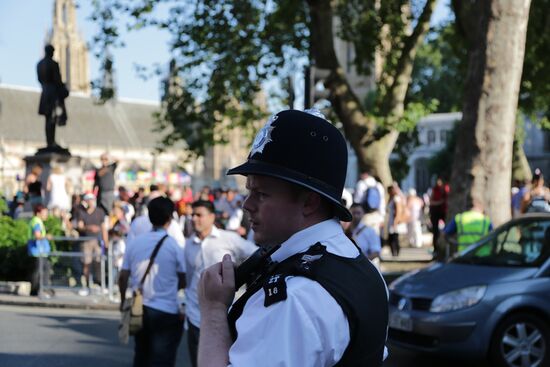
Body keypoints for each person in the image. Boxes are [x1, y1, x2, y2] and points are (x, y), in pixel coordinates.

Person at [197, 109, 388, 366]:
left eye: (262, 193)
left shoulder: (295, 300)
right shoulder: (356, 265)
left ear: (309, 202)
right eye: (249, 190)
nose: (247, 205)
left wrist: (212, 310)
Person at [184, 200, 257, 367]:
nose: (195, 219)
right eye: (192, 215)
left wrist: (239, 273)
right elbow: (190, 279)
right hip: (195, 316)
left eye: (199, 215)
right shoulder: (189, 243)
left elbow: (255, 255)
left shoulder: (229, 239)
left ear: (211, 217)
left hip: (225, 318)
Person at [118, 197, 186, 367]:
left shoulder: (135, 243)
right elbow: (184, 278)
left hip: (140, 309)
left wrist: (122, 300)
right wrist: (172, 288)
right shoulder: (175, 246)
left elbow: (123, 276)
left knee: (141, 355)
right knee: (163, 359)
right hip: (167, 310)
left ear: (149, 217)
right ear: (170, 219)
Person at [76, 192, 108, 295]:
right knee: (86, 263)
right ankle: (86, 285)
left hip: (97, 241)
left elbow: (103, 228)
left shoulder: (100, 212)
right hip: (86, 241)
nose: (91, 202)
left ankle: (98, 283)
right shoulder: (81, 212)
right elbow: (79, 226)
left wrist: (105, 241)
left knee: (98, 262)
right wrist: (88, 227)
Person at [37, 44, 68, 149]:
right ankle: (51, 142)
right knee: (52, 118)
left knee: (48, 118)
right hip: (53, 94)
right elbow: (57, 80)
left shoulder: (39, 64)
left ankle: (49, 141)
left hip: (44, 92)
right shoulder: (53, 64)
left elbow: (39, 79)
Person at [28, 204, 54, 297]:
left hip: (40, 251)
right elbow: (37, 235)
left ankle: (40, 289)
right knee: (40, 271)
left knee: (43, 269)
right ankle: (39, 289)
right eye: (44, 213)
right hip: (38, 251)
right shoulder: (36, 222)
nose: (46, 215)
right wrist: (47, 237)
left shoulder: (37, 221)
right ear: (38, 213)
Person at [346, 203, 382, 269]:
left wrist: (361, 263)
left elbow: (376, 252)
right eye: (354, 213)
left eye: (358, 213)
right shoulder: (346, 231)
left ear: (363, 214)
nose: (356, 216)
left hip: (367, 268)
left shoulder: (370, 231)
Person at [429, 177, 449, 252]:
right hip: (435, 212)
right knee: (435, 231)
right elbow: (431, 201)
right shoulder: (435, 190)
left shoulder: (446, 189)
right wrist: (440, 202)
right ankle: (436, 248)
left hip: (444, 211)